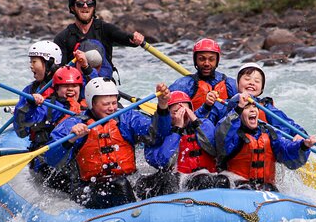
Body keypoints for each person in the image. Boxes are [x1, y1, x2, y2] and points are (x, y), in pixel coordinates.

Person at [43, 78, 171, 209]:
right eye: (106, 104)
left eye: (114, 103)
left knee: (166, 178)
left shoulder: (126, 118)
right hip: (89, 189)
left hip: (129, 181)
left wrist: (162, 106)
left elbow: (157, 134)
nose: (111, 108)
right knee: (119, 184)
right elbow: (51, 159)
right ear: (91, 103)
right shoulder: (73, 125)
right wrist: (71, 139)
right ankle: (134, 217)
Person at [215, 93, 316, 192]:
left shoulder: (270, 133)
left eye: (254, 106)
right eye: (246, 107)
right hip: (237, 185)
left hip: (266, 188)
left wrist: (303, 146)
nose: (252, 110)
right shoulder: (233, 136)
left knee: (267, 188)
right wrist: (238, 109)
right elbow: (222, 137)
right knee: (239, 186)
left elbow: (287, 153)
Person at [136, 91, 228, 199]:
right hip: (179, 178)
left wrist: (195, 121)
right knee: (162, 180)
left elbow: (214, 149)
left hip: (204, 175)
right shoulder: (161, 133)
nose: (182, 114)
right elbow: (162, 161)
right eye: (176, 111)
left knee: (215, 179)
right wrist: (177, 131)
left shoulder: (204, 124)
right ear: (167, 115)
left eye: (185, 110)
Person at [14, 66, 89, 192]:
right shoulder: (47, 107)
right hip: (46, 160)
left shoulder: (87, 107)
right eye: (65, 86)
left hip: (76, 158)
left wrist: (87, 69)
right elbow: (22, 127)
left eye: (75, 86)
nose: (70, 89)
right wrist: (30, 104)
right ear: (57, 88)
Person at [53, 0, 145, 79]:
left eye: (89, 3)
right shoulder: (63, 38)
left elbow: (126, 38)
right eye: (80, 3)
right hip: (76, 86)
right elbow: (60, 70)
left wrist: (135, 38)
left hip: (104, 84)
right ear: (72, 8)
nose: (85, 6)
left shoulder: (105, 29)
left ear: (94, 7)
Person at [197, 62, 307, 137]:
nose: (252, 83)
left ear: (261, 88)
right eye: (247, 79)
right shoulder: (223, 104)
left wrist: (300, 134)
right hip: (231, 154)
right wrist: (207, 106)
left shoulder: (266, 107)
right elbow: (202, 125)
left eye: (257, 81)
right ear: (238, 84)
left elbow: (285, 124)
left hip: (257, 154)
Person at [168, 38, 237, 110]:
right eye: (201, 59)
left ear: (217, 61)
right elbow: (167, 111)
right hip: (194, 120)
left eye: (211, 59)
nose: (206, 63)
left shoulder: (230, 84)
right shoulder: (184, 85)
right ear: (195, 60)